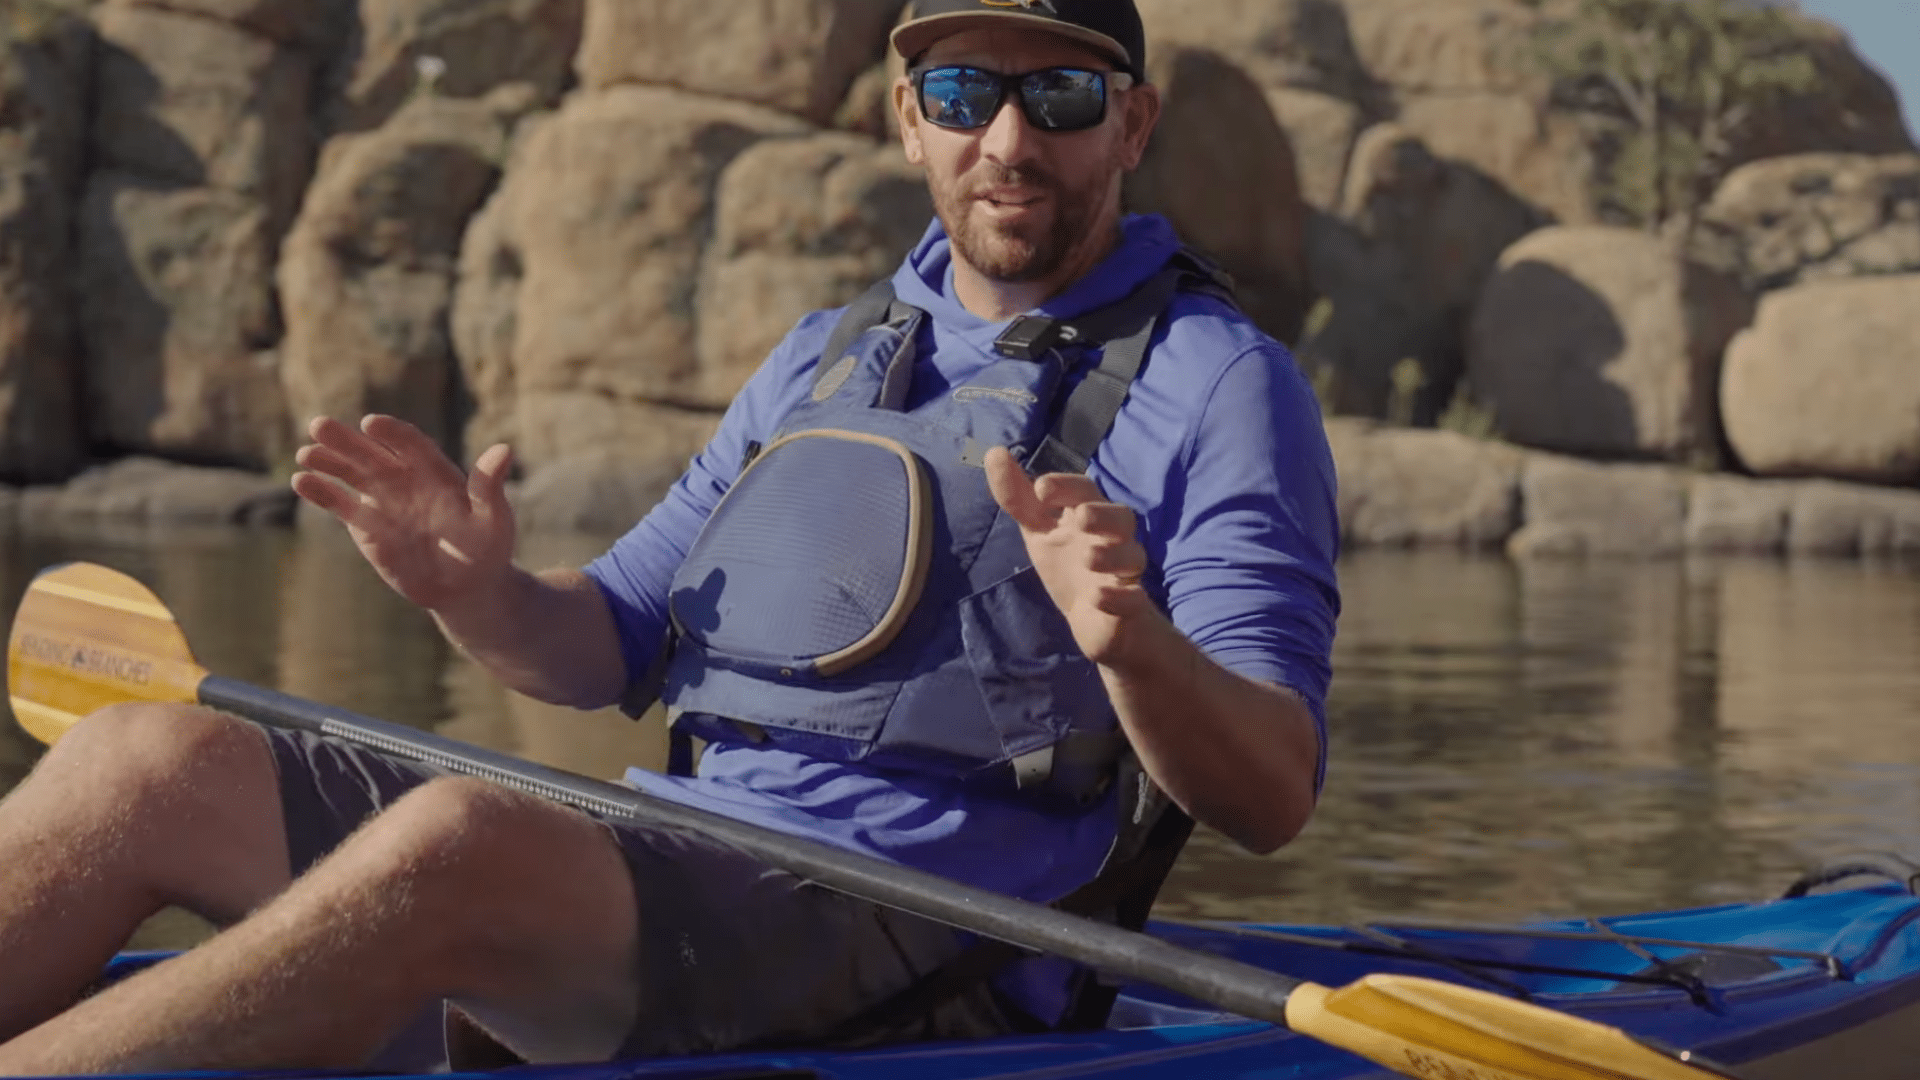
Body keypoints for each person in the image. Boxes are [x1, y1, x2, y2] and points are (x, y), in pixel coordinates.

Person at [0, 0, 1338, 1072]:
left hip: (928, 938)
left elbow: (1272, 791)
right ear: (907, 120)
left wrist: (1134, 647)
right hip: (684, 858)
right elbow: (605, 643)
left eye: (1061, 96)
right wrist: (477, 592)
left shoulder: (1219, 381)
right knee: (141, 761)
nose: (1006, 139)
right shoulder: (827, 357)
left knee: (459, 842)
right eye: (960, 93)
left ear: (1132, 123)